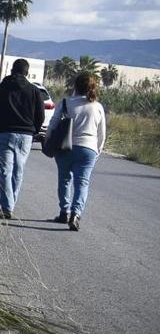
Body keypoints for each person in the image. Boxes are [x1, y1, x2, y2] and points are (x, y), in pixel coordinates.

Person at [48, 71, 107, 231]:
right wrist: (97, 152)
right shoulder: (98, 107)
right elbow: (101, 134)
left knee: (64, 179)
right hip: (88, 149)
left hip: (65, 147)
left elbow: (53, 123)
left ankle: (63, 212)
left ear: (75, 86)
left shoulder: (66, 102)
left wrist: (48, 141)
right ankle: (76, 214)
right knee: (82, 182)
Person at [0, 58, 45, 219]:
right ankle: (10, 203)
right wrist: (34, 131)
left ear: (12, 70)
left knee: (5, 171)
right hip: (25, 136)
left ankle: (7, 206)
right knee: (18, 171)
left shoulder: (1, 88)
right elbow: (40, 115)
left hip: (4, 133)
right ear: (27, 73)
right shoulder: (34, 91)